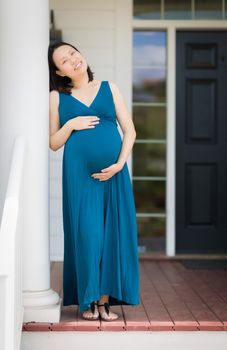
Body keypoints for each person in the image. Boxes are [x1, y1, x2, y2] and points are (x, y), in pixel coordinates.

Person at [48, 41, 140, 322]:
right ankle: (88, 298)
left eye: (73, 53)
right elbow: (53, 143)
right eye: (64, 60)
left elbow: (130, 131)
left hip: (114, 175)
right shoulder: (56, 97)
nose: (73, 60)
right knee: (89, 235)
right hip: (80, 178)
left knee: (112, 236)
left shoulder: (109, 88)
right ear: (59, 71)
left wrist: (119, 164)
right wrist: (70, 125)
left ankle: (103, 303)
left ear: (82, 55)